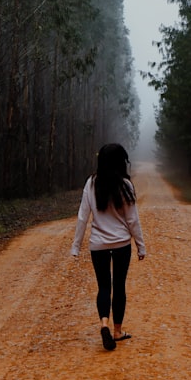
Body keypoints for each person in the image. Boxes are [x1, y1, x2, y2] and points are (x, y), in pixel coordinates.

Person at [71, 143, 146, 351]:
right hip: (122, 244)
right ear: (121, 162)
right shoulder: (125, 185)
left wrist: (76, 246)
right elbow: (133, 220)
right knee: (119, 286)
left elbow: (82, 217)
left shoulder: (91, 183)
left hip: (98, 245)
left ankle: (103, 322)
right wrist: (141, 246)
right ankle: (117, 331)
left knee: (104, 286)